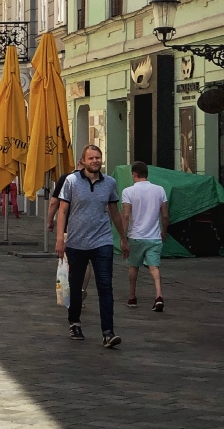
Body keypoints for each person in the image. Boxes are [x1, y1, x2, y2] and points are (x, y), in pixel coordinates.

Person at [52, 145, 126, 348]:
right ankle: (74, 322)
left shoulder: (109, 183)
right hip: (76, 242)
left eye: (98, 157)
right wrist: (60, 238)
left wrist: (123, 238)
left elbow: (114, 212)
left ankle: (108, 332)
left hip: (102, 241)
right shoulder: (71, 181)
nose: (95, 160)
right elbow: (63, 211)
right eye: (91, 158)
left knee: (105, 285)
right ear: (83, 161)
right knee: (76, 286)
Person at [121, 161, 169, 313]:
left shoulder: (128, 191)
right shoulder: (160, 190)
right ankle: (159, 295)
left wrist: (123, 237)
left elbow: (126, 215)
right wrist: (164, 231)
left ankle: (132, 296)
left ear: (134, 174)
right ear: (147, 174)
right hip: (154, 236)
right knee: (154, 267)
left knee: (134, 266)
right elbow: (165, 215)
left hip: (136, 236)